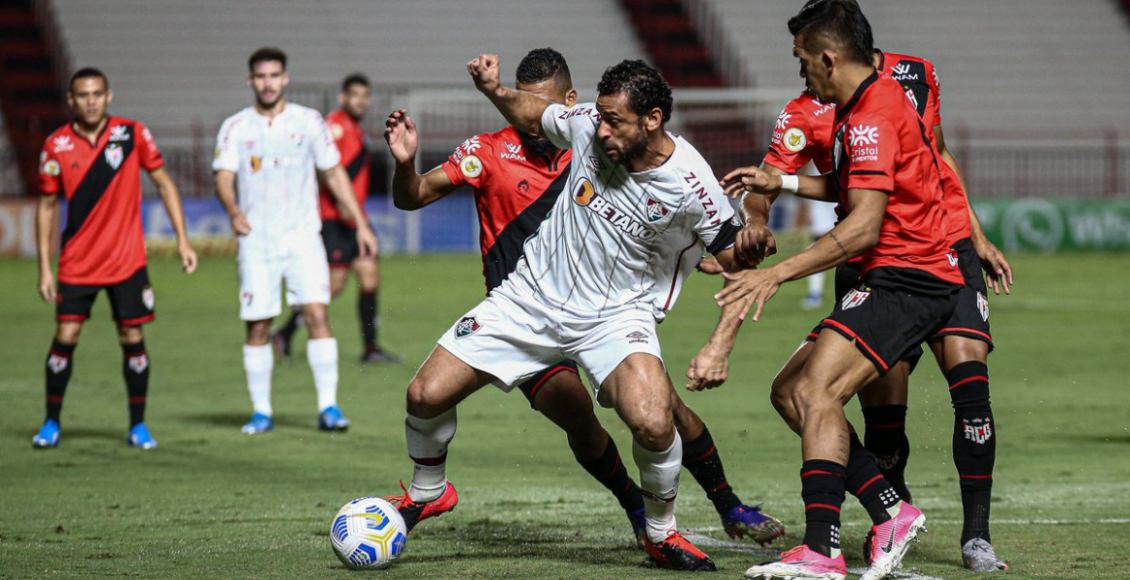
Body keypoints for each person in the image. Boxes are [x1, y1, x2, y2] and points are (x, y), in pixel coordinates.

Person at [383, 47, 784, 549]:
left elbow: (733, 262)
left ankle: (664, 532)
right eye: (601, 119)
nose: (601, 131)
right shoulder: (578, 126)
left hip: (614, 317)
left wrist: (749, 244)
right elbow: (535, 113)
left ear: (652, 120)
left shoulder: (692, 184)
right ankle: (430, 491)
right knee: (425, 395)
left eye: (615, 122)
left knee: (657, 419)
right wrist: (493, 91)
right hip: (527, 300)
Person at [738, 2, 1012, 571]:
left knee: (817, 392)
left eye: (802, 60)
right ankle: (891, 509)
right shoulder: (868, 105)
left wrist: (777, 271)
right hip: (895, 275)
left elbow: (863, 224)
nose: (801, 72)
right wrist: (781, 179)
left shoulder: (869, 114)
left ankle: (825, 547)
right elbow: (859, 181)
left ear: (828, 56)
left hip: (910, 276)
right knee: (790, 389)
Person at [213, 47, 377, 435]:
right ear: (251, 81)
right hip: (257, 241)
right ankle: (261, 411)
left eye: (274, 76)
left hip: (304, 237)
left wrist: (361, 224)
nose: (268, 83)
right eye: (261, 76)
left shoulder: (308, 122)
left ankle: (328, 408)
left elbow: (335, 174)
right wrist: (234, 210)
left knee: (318, 314)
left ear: (285, 78)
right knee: (258, 325)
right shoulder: (236, 127)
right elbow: (223, 175)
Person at [33, 67, 198, 450]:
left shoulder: (132, 134)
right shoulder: (55, 146)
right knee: (66, 335)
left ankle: (137, 426)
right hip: (78, 262)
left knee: (132, 335)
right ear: (71, 100)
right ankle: (51, 422)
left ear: (109, 96)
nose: (90, 101)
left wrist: (183, 241)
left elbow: (164, 182)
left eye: (97, 94)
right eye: (82, 95)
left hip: (127, 260)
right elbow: (45, 206)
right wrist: (45, 267)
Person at [272, 73, 402, 364]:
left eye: (365, 96)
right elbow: (325, 169)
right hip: (334, 218)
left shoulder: (355, 128)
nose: (361, 101)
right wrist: (341, 203)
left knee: (369, 276)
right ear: (343, 97)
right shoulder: (335, 126)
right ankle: (284, 332)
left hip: (356, 218)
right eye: (355, 95)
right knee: (333, 285)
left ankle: (370, 349)